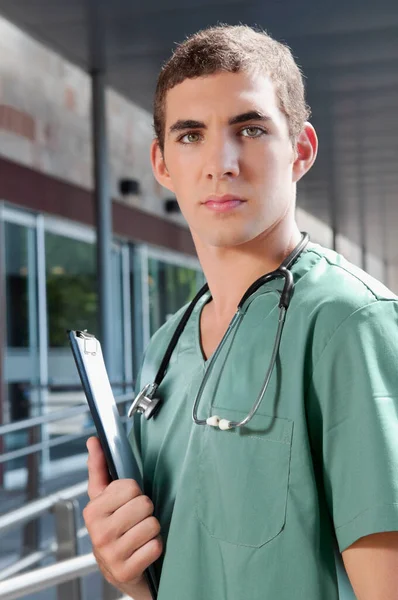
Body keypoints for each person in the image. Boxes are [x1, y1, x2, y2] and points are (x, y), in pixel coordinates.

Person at [83, 24, 398, 599]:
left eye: (249, 129)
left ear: (300, 149)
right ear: (161, 163)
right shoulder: (165, 349)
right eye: (190, 136)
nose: (220, 162)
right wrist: (126, 570)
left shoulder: (350, 325)